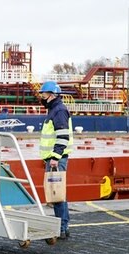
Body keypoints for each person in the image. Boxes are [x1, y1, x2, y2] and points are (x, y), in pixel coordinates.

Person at [39, 80, 73, 239]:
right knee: (58, 193)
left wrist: (54, 157)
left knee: (56, 193)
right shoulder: (55, 110)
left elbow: (62, 136)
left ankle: (61, 227)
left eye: (43, 94)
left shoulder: (58, 111)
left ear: (51, 95)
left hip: (57, 159)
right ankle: (63, 226)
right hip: (55, 158)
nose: (42, 97)